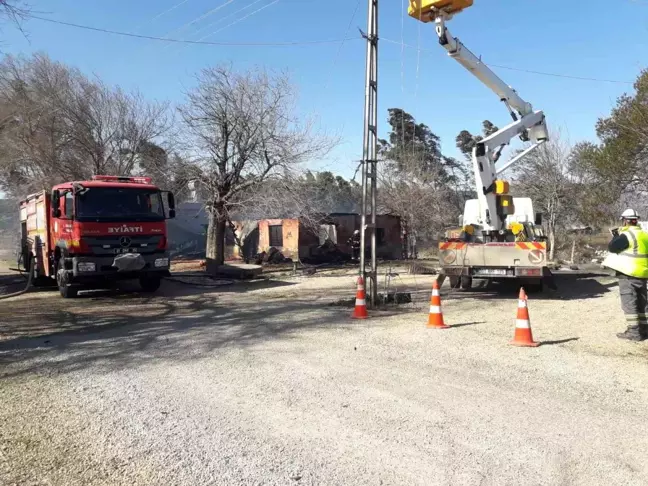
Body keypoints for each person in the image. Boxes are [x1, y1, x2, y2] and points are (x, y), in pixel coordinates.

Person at [603, 209, 648, 341]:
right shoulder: (644, 235)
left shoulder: (627, 236)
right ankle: (645, 329)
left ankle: (634, 332)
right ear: (636, 220)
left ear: (625, 221)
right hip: (643, 273)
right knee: (642, 302)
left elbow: (612, 247)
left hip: (628, 273)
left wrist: (616, 236)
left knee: (629, 302)